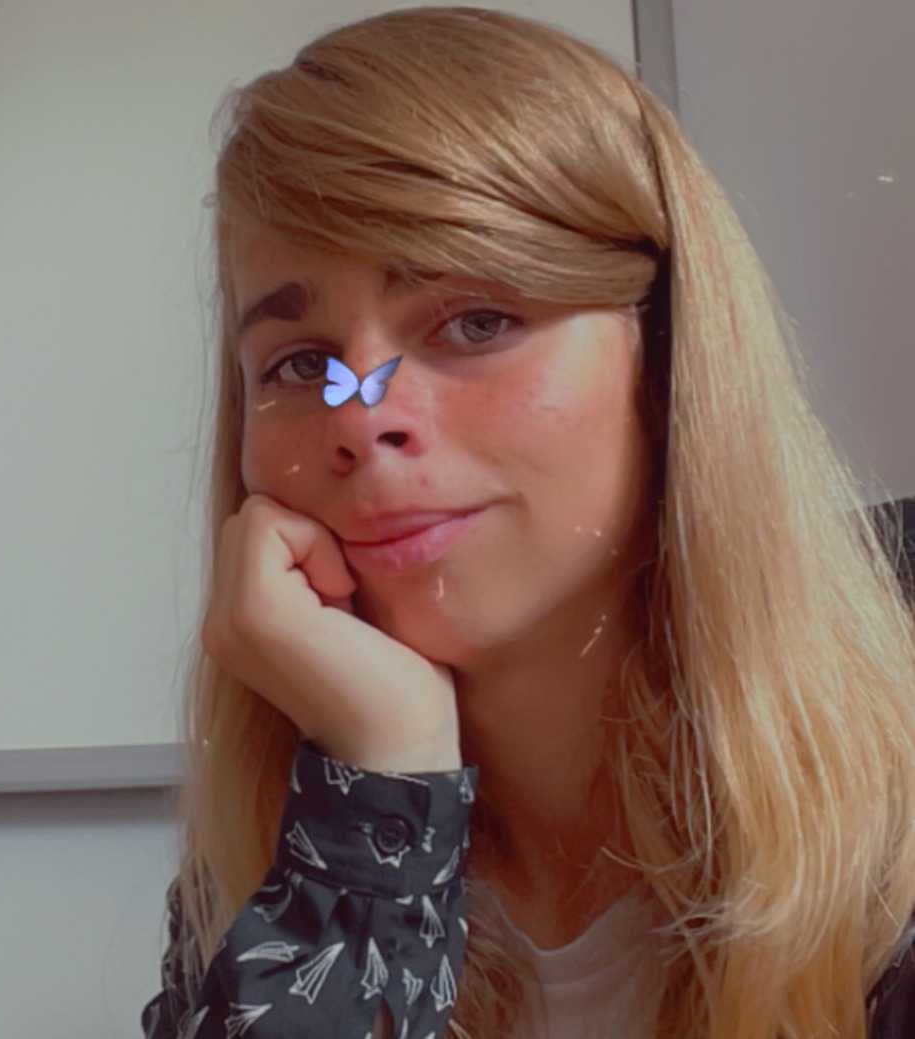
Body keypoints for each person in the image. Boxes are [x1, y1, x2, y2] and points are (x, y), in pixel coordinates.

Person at [140, 7, 915, 1038]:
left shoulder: (894, 819)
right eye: (300, 363)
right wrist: (382, 796)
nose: (359, 417)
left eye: (476, 321)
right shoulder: (277, 863)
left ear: (670, 354)